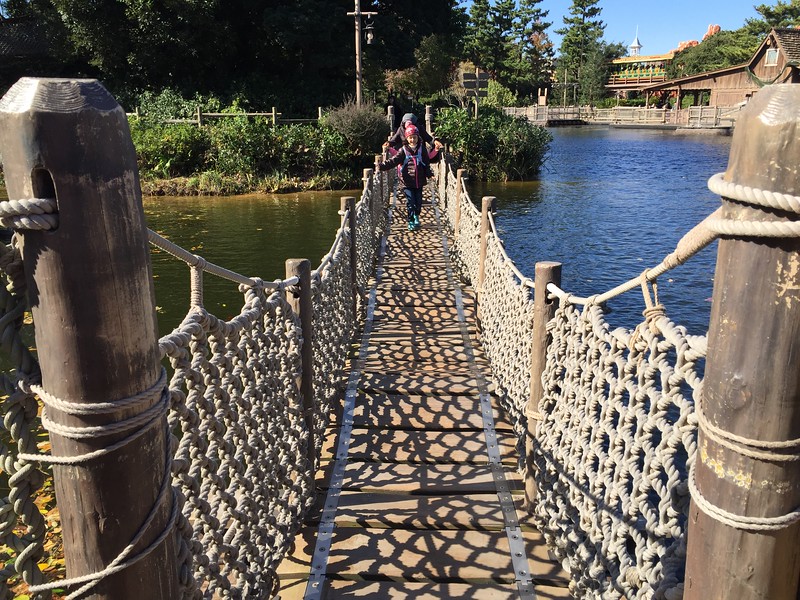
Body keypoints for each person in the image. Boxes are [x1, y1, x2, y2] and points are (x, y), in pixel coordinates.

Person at [378, 123, 443, 231]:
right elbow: (394, 161)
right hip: (407, 182)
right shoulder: (403, 150)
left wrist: (430, 175)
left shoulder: (422, 149)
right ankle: (411, 220)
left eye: (414, 137)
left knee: (418, 202)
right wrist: (381, 166)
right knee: (410, 202)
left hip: (420, 181)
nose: (413, 140)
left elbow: (426, 163)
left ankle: (416, 216)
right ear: (407, 138)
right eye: (410, 138)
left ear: (418, 137)